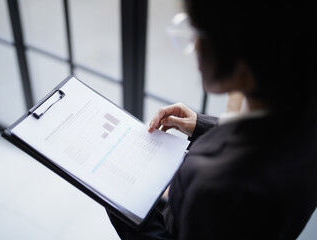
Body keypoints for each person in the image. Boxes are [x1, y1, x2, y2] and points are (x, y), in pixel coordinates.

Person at [108, 1, 317, 239]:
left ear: (243, 68)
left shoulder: (211, 186)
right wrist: (199, 124)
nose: (195, 45)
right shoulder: (303, 116)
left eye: (201, 35)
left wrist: (121, 204)